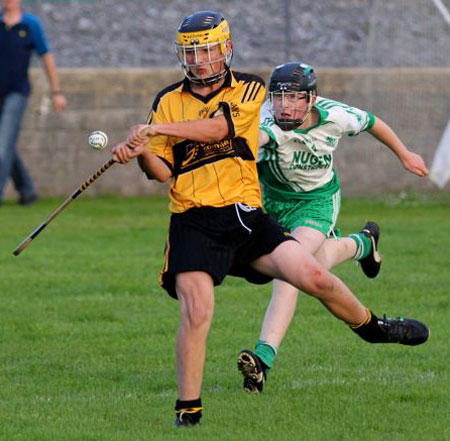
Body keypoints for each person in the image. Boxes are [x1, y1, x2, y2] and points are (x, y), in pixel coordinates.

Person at [111, 11, 429, 427]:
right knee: (197, 309)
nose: (200, 61)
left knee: (312, 276)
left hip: (245, 216)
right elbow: (164, 173)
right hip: (192, 220)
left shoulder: (251, 89)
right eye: (191, 53)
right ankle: (188, 412)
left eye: (207, 50)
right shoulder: (167, 100)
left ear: (225, 49)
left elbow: (221, 130)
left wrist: (157, 130)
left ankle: (372, 327)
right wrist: (140, 151)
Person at [237, 61, 429, 394]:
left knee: (290, 272)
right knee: (311, 267)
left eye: (295, 98)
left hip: (318, 203)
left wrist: (404, 154)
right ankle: (363, 244)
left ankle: (263, 359)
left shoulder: (334, 115)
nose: (286, 106)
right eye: (279, 98)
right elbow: (253, 139)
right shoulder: (265, 119)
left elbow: (373, 122)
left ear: (311, 99)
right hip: (275, 204)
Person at [0, 0, 66, 206]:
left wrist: (56, 92)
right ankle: (27, 190)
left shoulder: (30, 24)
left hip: (16, 93)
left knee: (3, 145)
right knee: (6, 145)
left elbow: (46, 56)